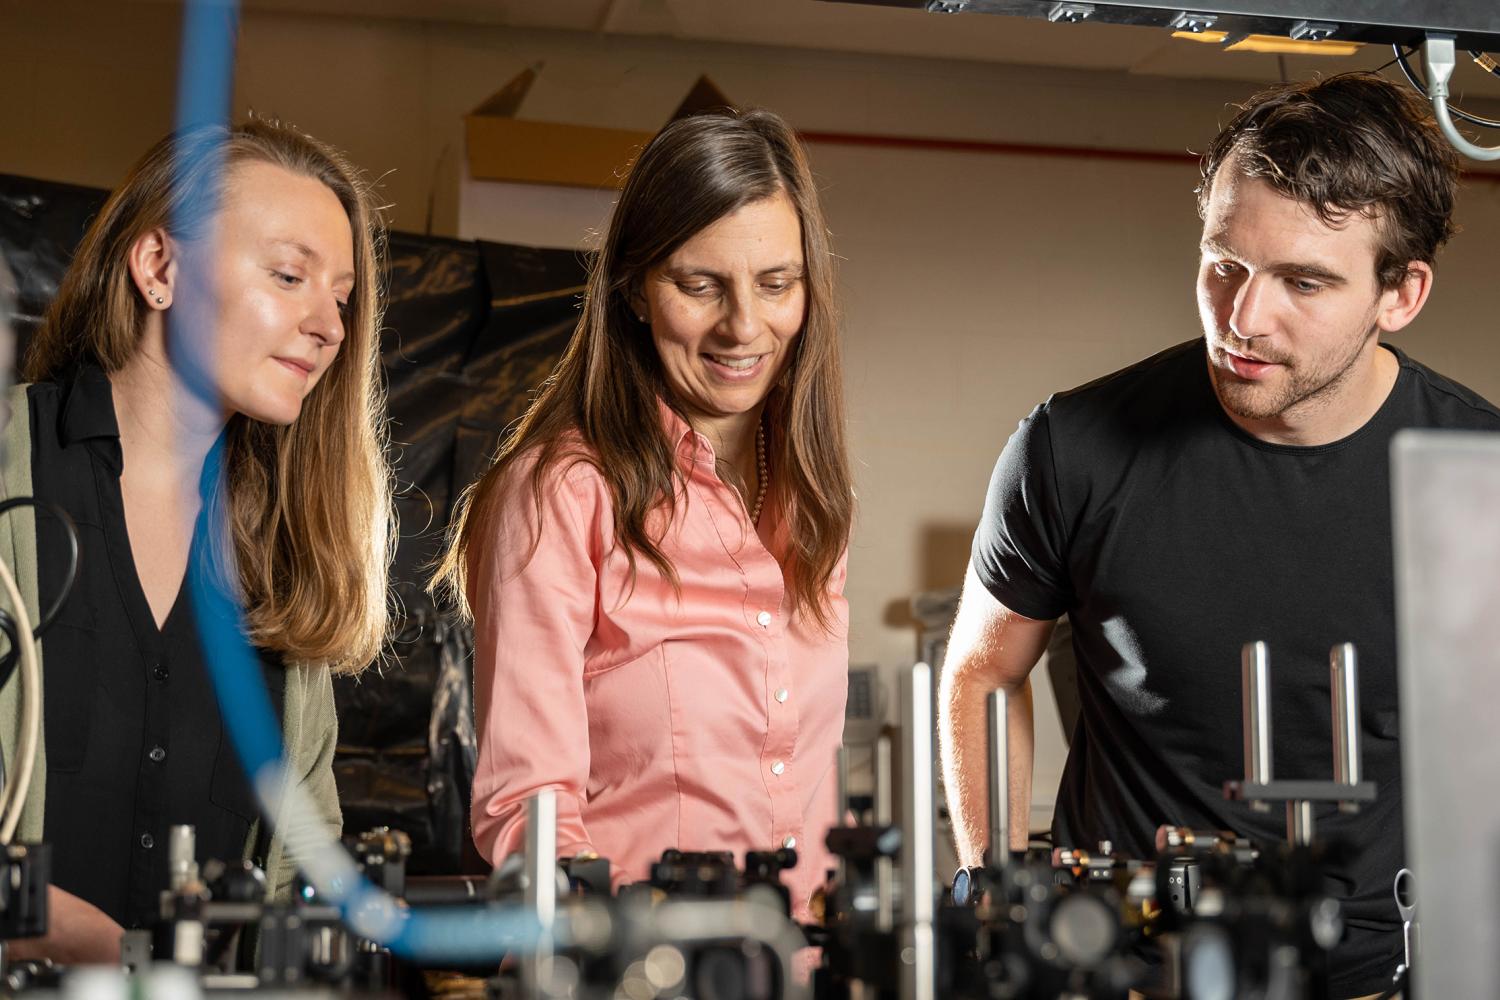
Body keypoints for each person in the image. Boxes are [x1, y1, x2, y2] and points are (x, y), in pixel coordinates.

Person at [939, 72, 1500, 998]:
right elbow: (985, 672)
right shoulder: (1074, 446)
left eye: (1303, 282)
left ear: (1400, 294)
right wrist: (1000, 898)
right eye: (1225, 264)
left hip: (1380, 975)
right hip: (1126, 968)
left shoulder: (1476, 473)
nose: (1242, 318)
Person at [434, 108, 853, 922]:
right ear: (632, 287)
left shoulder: (812, 499)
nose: (744, 326)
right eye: (701, 285)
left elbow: (811, 794)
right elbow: (528, 808)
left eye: (776, 284)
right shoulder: (562, 493)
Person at [0, 118, 392, 962]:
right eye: (289, 275)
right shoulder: (10, 470)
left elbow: (301, 861)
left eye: (342, 296)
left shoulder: (288, 556)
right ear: (159, 267)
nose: (328, 324)